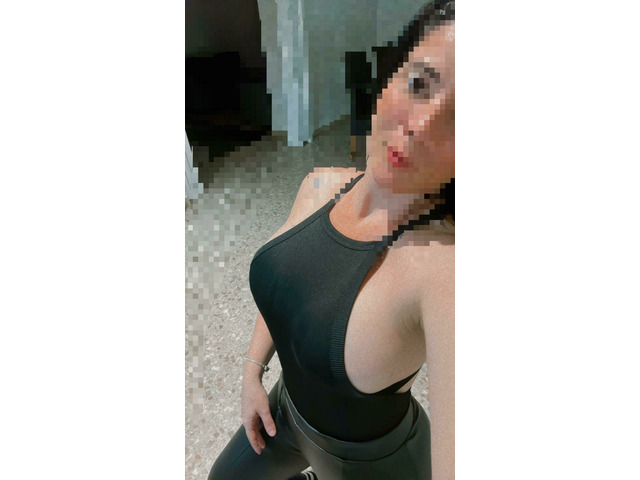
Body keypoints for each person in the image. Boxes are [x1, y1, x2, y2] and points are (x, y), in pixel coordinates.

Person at [208, 1, 454, 478]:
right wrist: (252, 371)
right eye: (419, 84)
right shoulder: (319, 185)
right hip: (283, 415)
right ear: (391, 77)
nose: (420, 126)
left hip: (376, 464)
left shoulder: (443, 270)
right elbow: (288, 285)